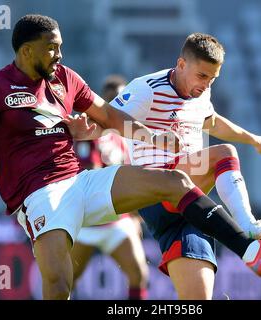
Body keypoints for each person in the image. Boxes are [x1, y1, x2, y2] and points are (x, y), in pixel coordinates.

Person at [0, 14, 261, 300]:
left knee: (174, 182)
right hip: (39, 195)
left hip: (82, 181)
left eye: (60, 47)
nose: (59, 55)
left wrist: (151, 138)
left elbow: (109, 116)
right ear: (27, 51)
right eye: (52, 49)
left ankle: (251, 251)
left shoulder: (65, 78)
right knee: (59, 285)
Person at [82, 33, 261, 299]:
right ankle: (248, 228)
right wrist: (81, 129)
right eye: (202, 76)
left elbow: (212, 122)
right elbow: (107, 118)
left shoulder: (200, 93)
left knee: (197, 300)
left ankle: (241, 235)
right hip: (157, 192)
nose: (206, 84)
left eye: (212, 78)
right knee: (224, 154)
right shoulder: (146, 88)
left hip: (190, 210)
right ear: (181, 64)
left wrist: (254, 139)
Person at [71, 75, 148, 300]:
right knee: (64, 281)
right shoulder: (91, 129)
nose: (119, 103)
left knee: (138, 275)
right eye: (114, 99)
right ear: (104, 101)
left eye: (123, 98)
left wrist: (134, 214)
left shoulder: (127, 135)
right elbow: (92, 174)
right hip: (89, 221)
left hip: (117, 220)